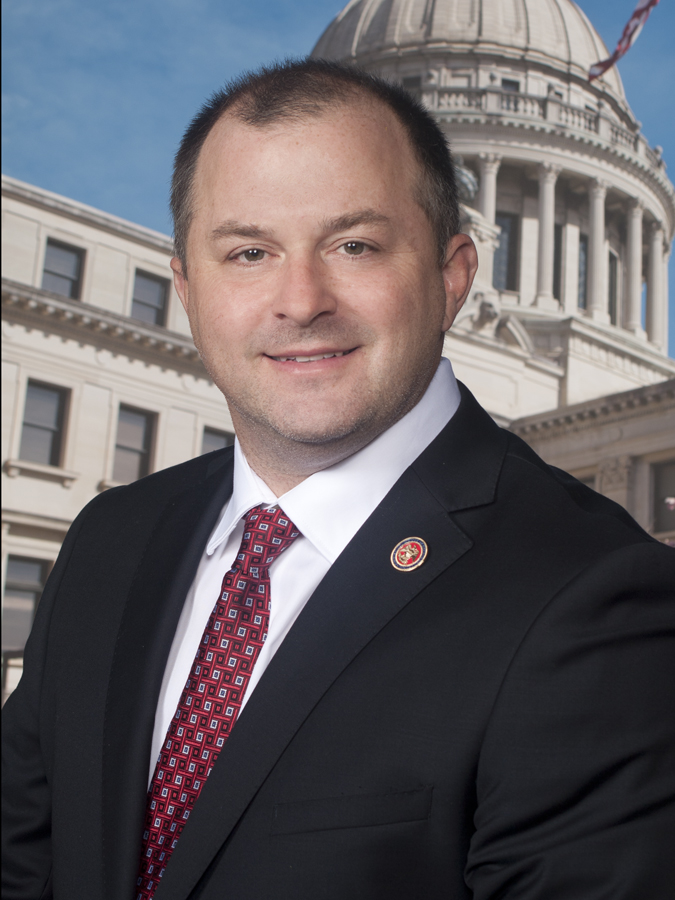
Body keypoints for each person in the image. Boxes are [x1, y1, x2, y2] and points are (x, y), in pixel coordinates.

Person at [2, 59, 674, 900]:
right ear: (185, 287)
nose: (300, 300)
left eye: (354, 245)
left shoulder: (597, 595)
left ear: (451, 275)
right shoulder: (111, 539)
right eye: (248, 252)